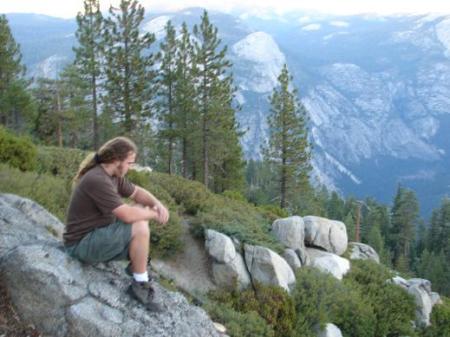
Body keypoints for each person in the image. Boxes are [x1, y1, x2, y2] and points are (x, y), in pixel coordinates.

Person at [63, 136, 169, 311]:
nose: (131, 167)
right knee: (139, 223)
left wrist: (157, 203)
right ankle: (139, 284)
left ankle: (138, 265)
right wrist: (153, 214)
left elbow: (137, 193)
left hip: (96, 234)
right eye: (129, 163)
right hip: (80, 245)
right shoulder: (97, 179)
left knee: (141, 207)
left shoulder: (112, 175)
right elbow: (127, 216)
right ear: (116, 160)